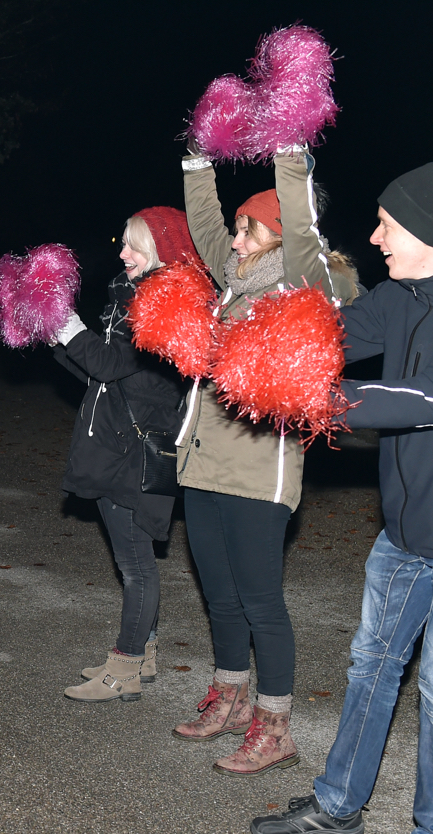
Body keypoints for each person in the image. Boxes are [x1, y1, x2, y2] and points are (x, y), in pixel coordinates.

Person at [251, 163, 433, 833]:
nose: (377, 237)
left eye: (390, 224)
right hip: (405, 538)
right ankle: (338, 810)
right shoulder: (400, 298)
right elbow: (331, 334)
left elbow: (421, 397)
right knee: (371, 671)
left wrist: (325, 400)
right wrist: (254, 347)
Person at [173, 143, 357, 775]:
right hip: (202, 466)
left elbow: (303, 228)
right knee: (219, 595)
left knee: (259, 600)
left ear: (276, 235)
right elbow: (202, 227)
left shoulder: (301, 284)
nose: (235, 235)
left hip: (259, 472)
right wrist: (198, 161)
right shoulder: (236, 282)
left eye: (248, 226)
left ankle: (275, 725)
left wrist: (288, 153)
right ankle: (228, 694)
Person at [51, 207, 193, 703]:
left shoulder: (169, 305)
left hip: (137, 451)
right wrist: (59, 340)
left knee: (135, 565)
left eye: (134, 245)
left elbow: (114, 365)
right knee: (134, 560)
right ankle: (145, 652)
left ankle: (126, 668)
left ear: (160, 251)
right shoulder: (128, 301)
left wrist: (71, 329)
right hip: (117, 444)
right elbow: (103, 378)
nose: (122, 253)